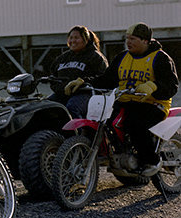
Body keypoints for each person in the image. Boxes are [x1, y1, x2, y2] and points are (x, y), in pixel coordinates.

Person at [66, 22, 178, 176]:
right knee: (102, 120)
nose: (128, 42)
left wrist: (153, 86)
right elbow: (107, 79)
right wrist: (84, 82)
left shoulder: (160, 58)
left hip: (153, 103)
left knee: (135, 124)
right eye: (127, 38)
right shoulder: (122, 57)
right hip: (125, 101)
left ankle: (152, 160)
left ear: (145, 40)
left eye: (133, 39)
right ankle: (116, 155)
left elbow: (172, 84)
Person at [48, 25, 108, 118]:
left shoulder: (96, 57)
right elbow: (53, 78)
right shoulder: (62, 58)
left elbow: (104, 78)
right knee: (45, 107)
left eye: (76, 38)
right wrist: (61, 88)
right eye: (71, 38)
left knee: (72, 108)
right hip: (63, 94)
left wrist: (83, 82)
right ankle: (50, 132)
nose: (73, 41)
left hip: (87, 94)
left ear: (86, 39)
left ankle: (77, 132)